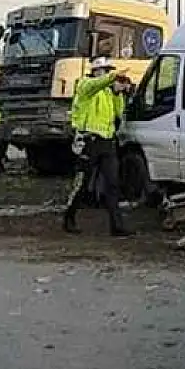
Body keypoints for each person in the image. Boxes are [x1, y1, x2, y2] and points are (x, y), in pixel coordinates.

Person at [62, 57, 133, 237]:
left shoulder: (109, 92)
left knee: (113, 184)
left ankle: (116, 225)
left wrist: (118, 93)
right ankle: (69, 216)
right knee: (82, 184)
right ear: (96, 71)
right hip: (88, 141)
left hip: (107, 142)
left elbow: (118, 113)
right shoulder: (85, 86)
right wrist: (113, 77)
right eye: (106, 70)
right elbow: (97, 84)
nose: (109, 74)